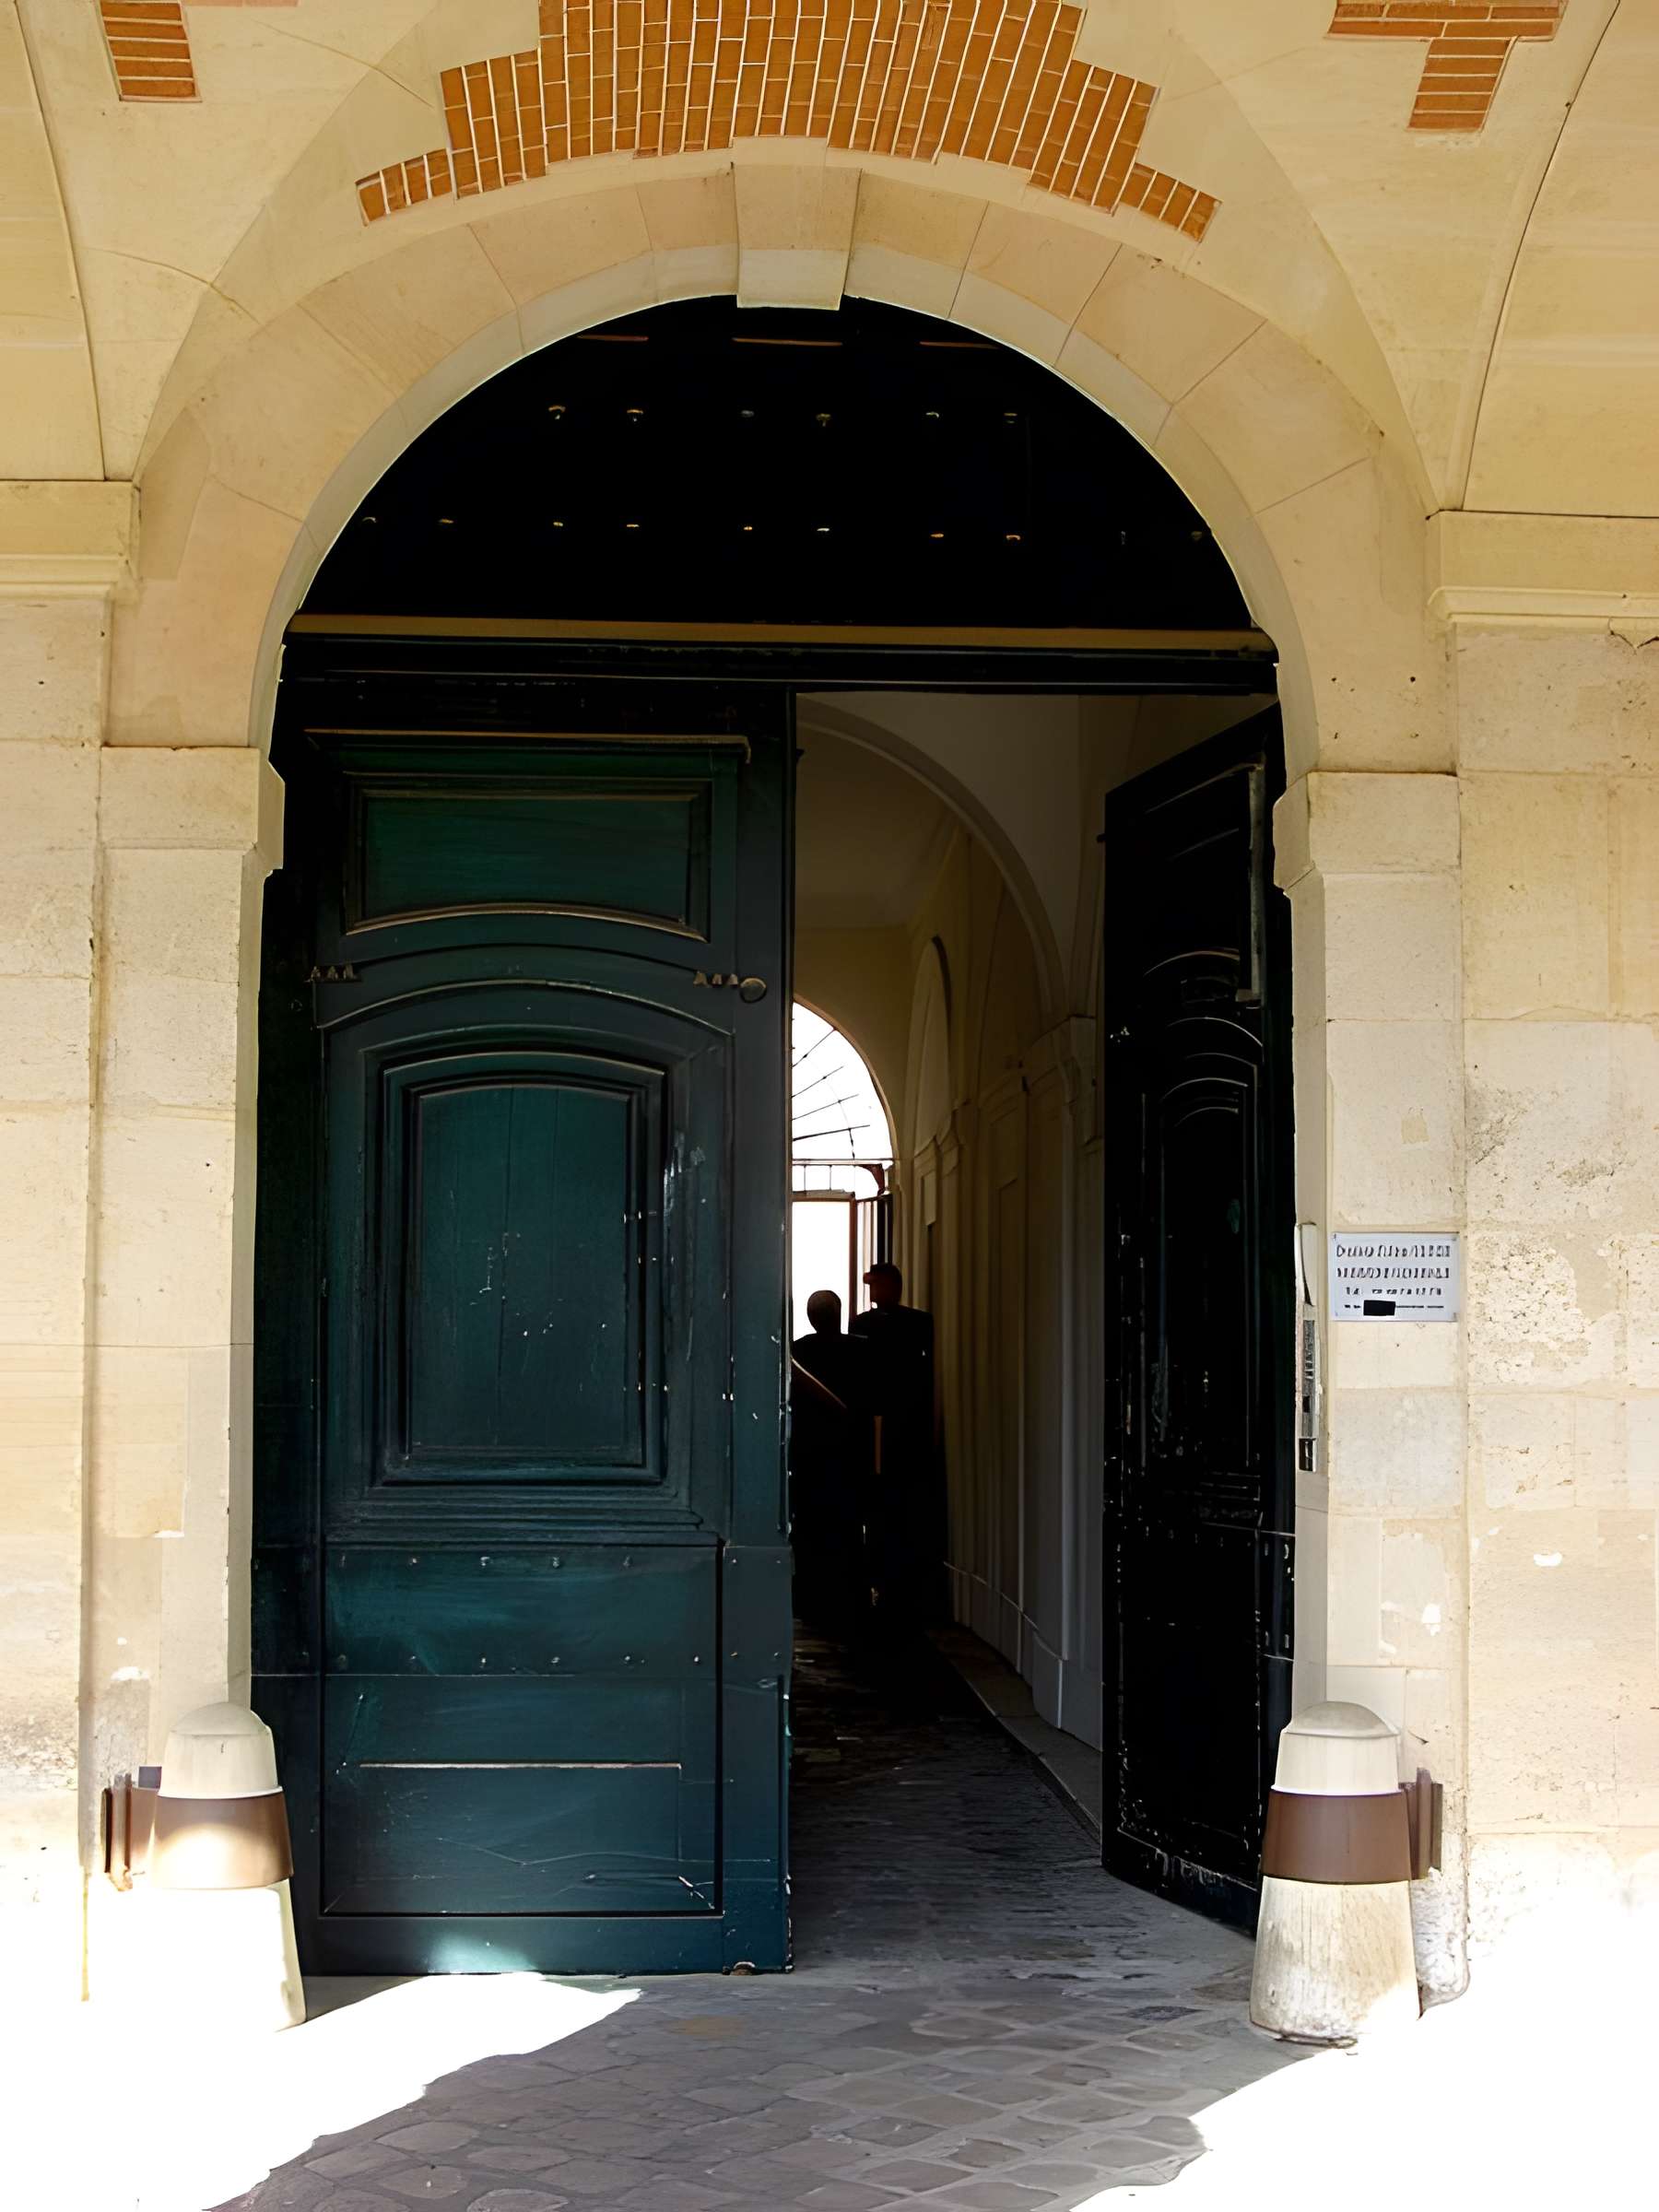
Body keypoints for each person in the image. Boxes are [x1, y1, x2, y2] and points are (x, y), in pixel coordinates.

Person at [850, 1263, 942, 1625]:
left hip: (897, 1425)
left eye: (876, 1284)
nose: (873, 1291)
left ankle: (895, 1581)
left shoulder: (873, 1325)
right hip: (893, 1424)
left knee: (898, 1505)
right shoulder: (912, 1323)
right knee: (890, 1504)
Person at [789, 1289, 874, 1628]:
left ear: (811, 1318)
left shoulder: (798, 1351)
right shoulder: (863, 1350)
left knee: (811, 1525)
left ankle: (811, 1598)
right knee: (849, 1524)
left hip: (810, 1451)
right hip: (850, 1450)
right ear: (839, 1314)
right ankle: (851, 1597)